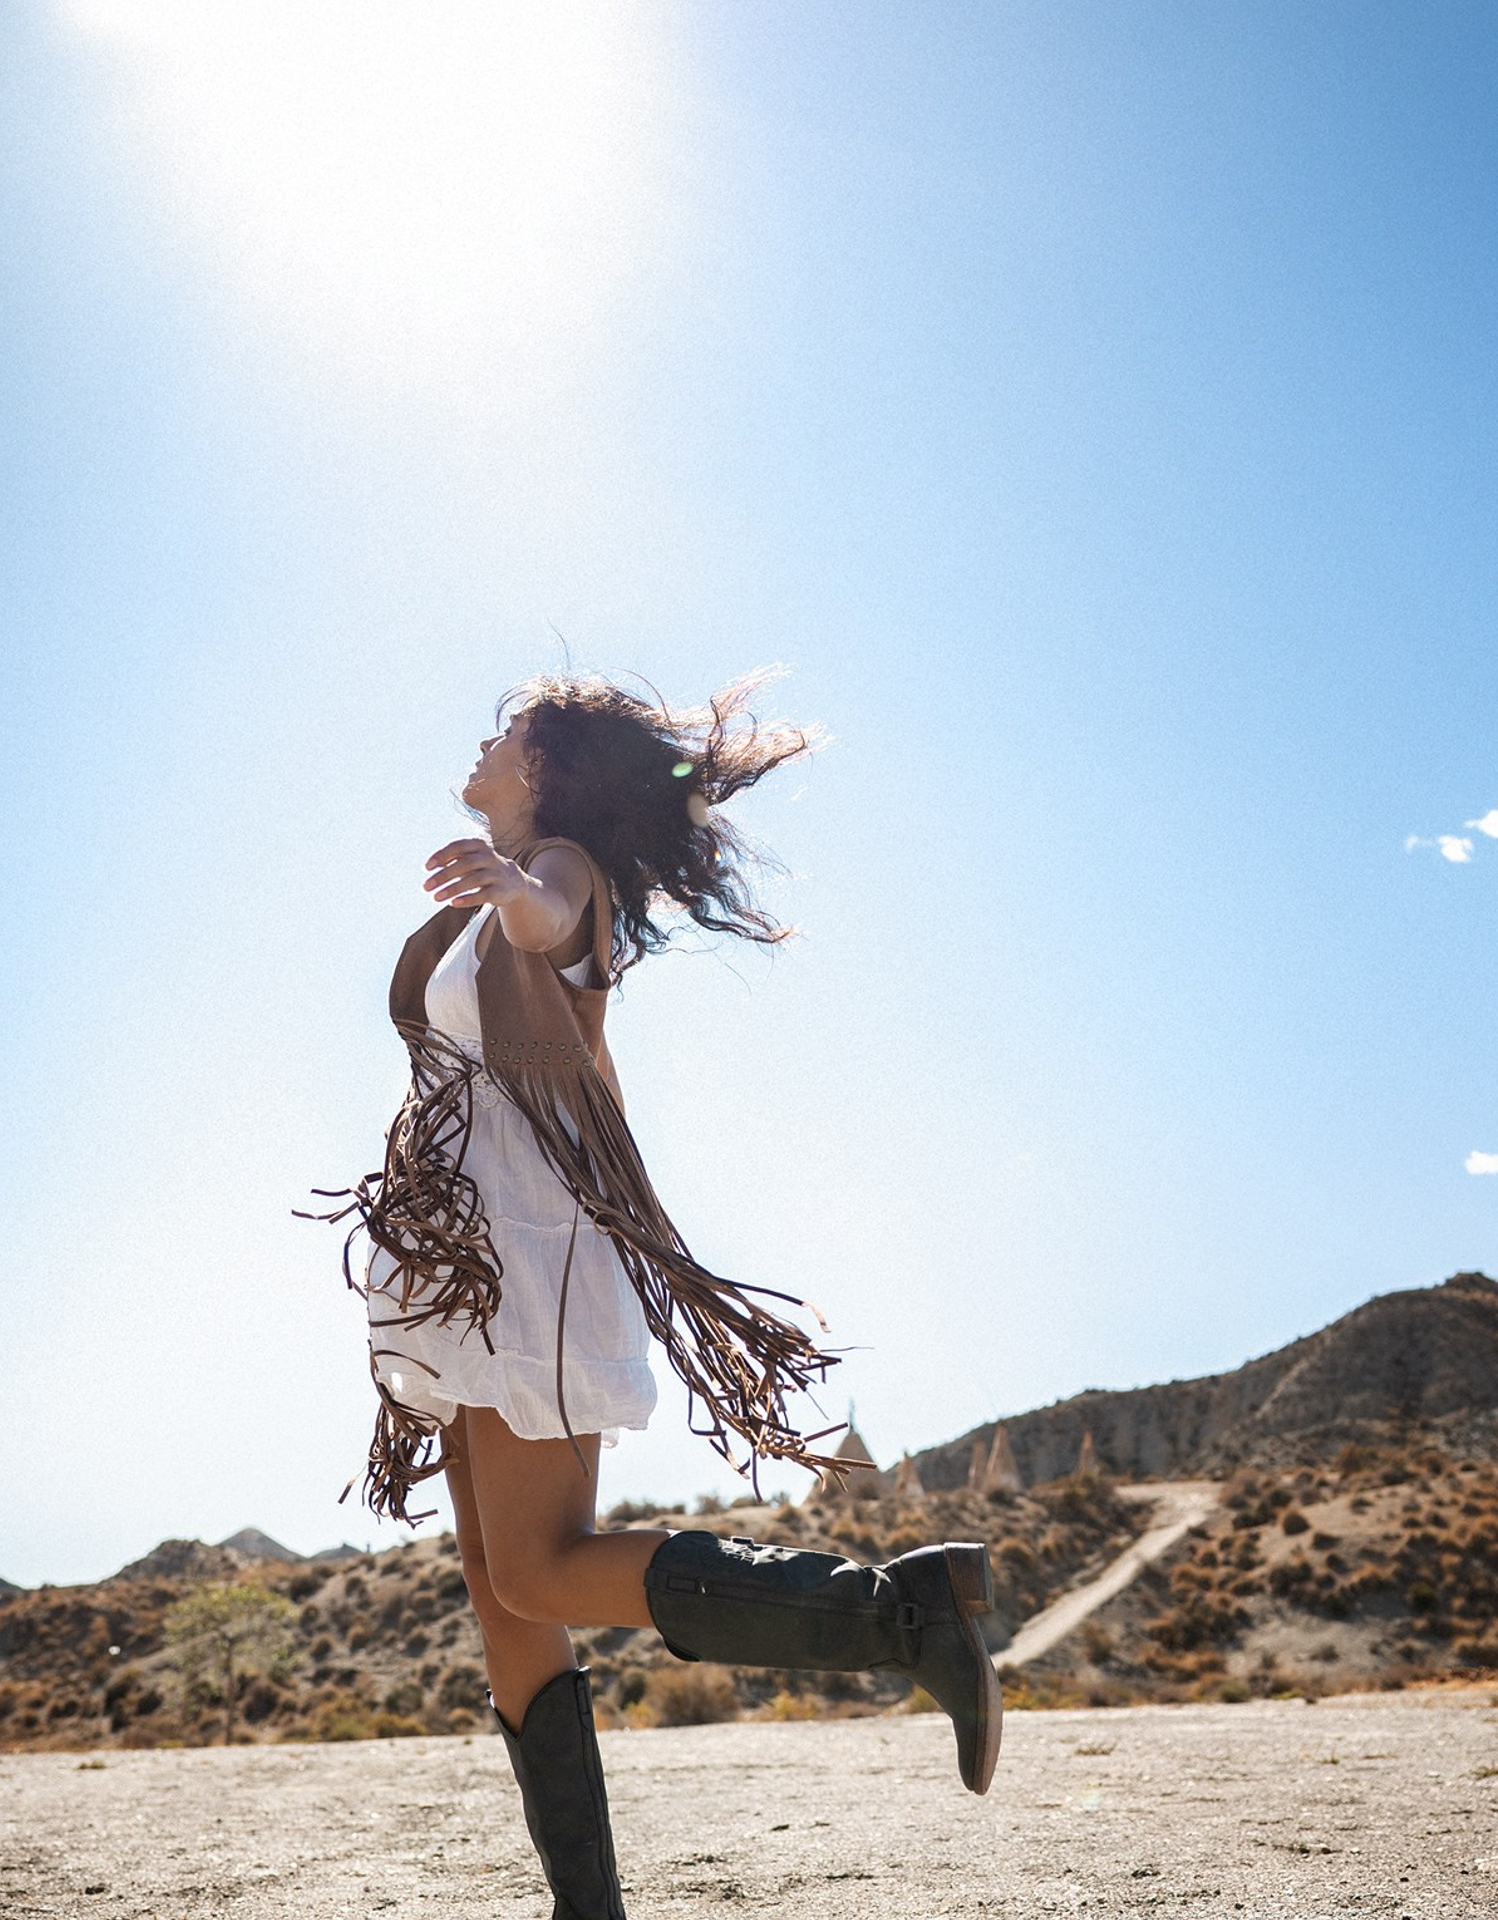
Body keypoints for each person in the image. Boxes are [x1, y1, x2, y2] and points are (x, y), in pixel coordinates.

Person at [314, 672, 1001, 1919]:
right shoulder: (478, 910)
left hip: (531, 1249)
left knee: (541, 1569)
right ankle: (588, 1910)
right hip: (468, 1255)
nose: (482, 739)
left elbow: (553, 921)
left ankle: (902, 1616)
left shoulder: (560, 872)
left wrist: (515, 887)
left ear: (547, 771)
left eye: (506, 732)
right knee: (504, 1590)